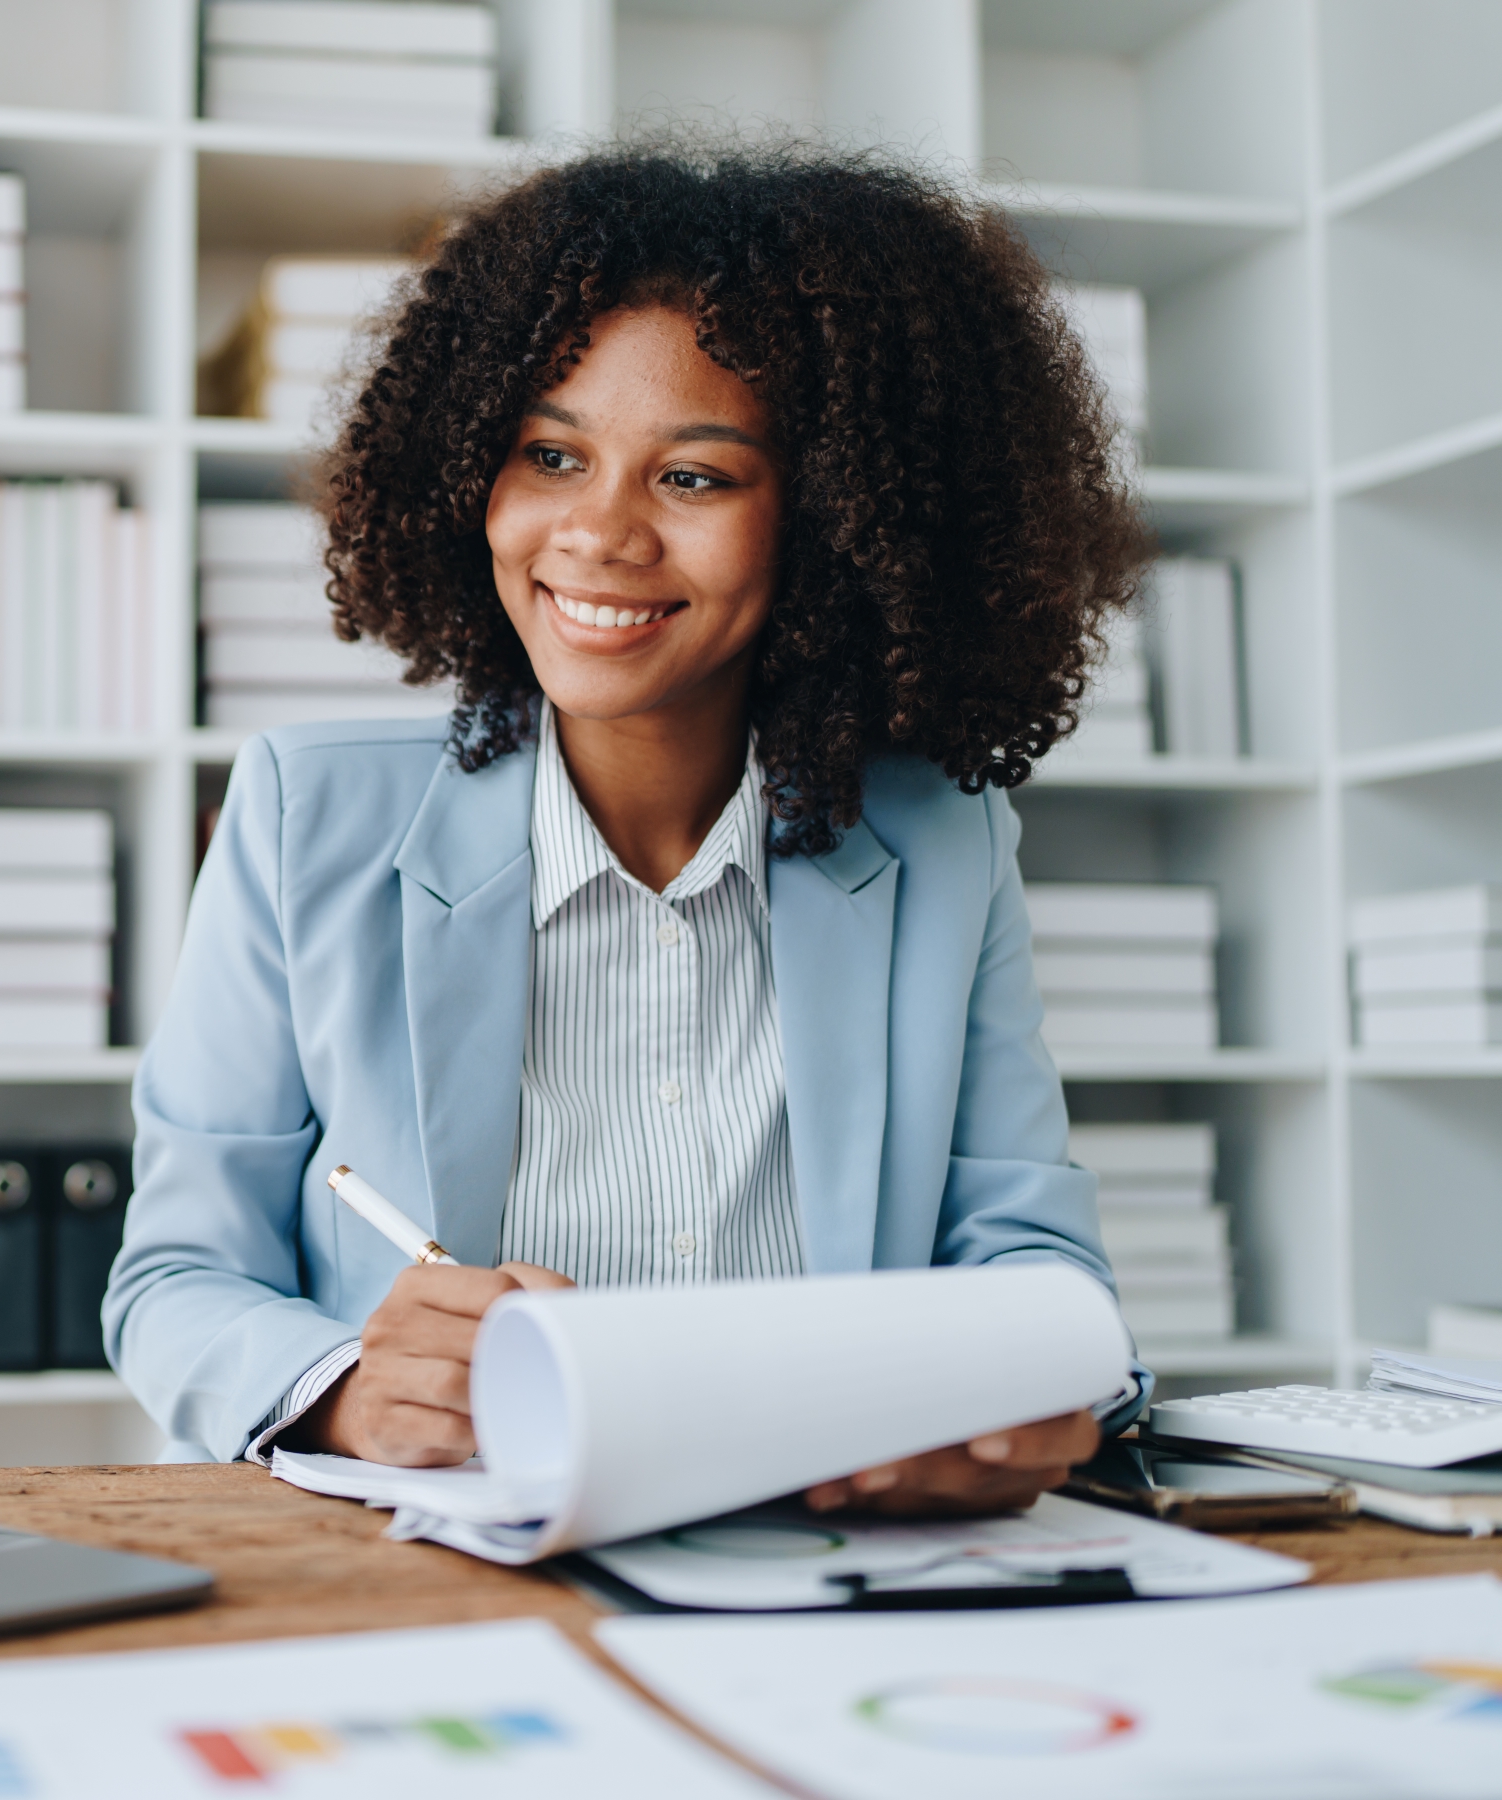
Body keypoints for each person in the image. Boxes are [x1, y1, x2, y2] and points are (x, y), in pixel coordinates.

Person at [104, 144, 1153, 1516]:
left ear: (836, 523)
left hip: (818, 1560)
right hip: (436, 1564)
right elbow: (173, 1281)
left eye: (696, 478)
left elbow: (1044, 1273)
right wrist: (342, 1385)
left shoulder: (943, 840)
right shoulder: (311, 814)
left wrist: (1025, 1389)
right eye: (551, 454)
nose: (597, 534)